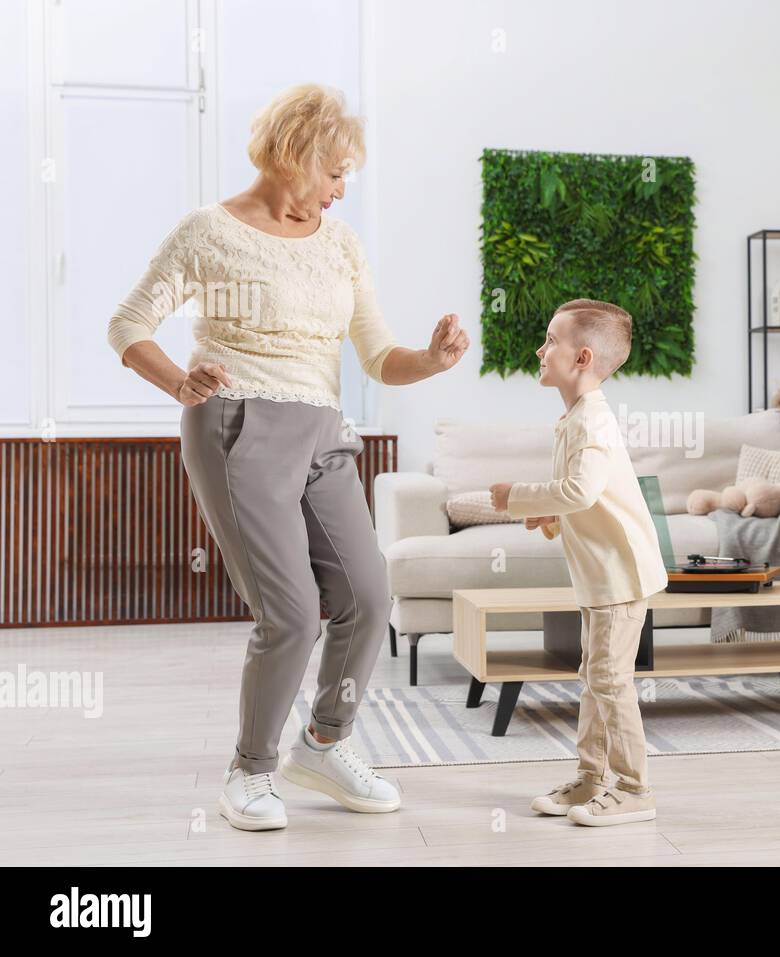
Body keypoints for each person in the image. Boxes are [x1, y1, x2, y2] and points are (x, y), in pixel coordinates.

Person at [106, 83, 469, 830]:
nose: (341, 190)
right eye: (335, 172)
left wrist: (429, 360)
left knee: (370, 596)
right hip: (238, 425)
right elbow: (128, 323)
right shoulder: (208, 232)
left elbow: (376, 355)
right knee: (292, 613)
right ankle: (250, 769)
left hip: (324, 433)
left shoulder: (340, 244)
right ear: (295, 154)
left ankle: (323, 744)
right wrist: (181, 380)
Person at [490, 299, 667, 827]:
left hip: (620, 575)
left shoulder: (593, 420)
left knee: (611, 681)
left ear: (582, 357)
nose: (540, 350)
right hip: (600, 574)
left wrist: (518, 497)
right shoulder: (573, 418)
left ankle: (635, 789)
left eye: (550, 341)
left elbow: (582, 489)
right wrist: (549, 513)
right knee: (596, 677)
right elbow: (588, 499)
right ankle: (593, 778)